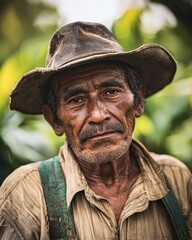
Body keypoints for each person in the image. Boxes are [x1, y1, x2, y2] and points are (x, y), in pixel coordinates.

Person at [0, 21, 191, 240]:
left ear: (138, 102)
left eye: (111, 92)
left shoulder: (177, 179)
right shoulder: (26, 194)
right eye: (77, 100)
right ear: (55, 120)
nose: (98, 115)